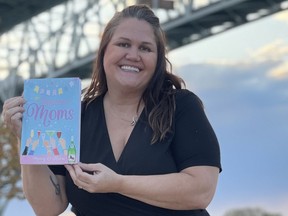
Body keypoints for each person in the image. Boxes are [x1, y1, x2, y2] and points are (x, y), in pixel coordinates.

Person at [2, 4, 221, 216]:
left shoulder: (181, 106)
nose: (133, 55)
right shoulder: (74, 117)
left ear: (157, 59)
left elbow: (201, 190)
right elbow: (48, 208)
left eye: (145, 48)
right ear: (104, 50)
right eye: (123, 44)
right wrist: (29, 140)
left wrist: (118, 184)